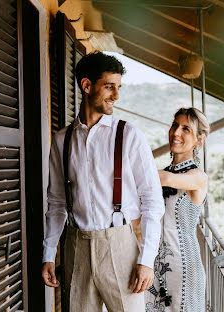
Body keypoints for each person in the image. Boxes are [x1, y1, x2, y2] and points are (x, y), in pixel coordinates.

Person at [42, 51, 165, 312]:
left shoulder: (129, 135)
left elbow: (153, 201)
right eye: (109, 87)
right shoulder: (62, 140)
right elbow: (56, 203)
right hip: (76, 247)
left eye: (118, 87)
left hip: (121, 247)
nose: (116, 96)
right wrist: (49, 253)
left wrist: (147, 259)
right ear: (87, 86)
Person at [145, 107, 210, 312]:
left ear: (199, 140)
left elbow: (168, 179)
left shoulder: (198, 177)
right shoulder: (159, 173)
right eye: (175, 125)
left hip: (184, 267)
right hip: (153, 265)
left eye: (186, 129)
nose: (176, 133)